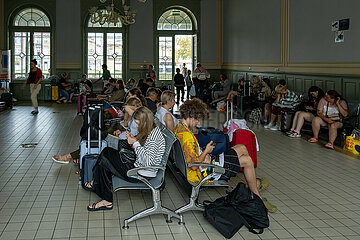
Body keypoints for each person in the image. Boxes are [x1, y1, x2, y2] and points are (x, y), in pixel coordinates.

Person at [174, 99, 277, 212]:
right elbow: (193, 166)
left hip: (205, 163)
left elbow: (190, 155)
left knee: (242, 147)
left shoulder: (179, 128)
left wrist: (204, 151)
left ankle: (251, 185)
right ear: (191, 116)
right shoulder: (187, 137)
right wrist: (206, 151)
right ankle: (256, 194)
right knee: (247, 160)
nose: (198, 123)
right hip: (208, 169)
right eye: (198, 120)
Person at [86, 107, 165, 211]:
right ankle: (99, 186)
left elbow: (148, 162)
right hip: (139, 166)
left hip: (142, 173)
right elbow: (146, 151)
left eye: (137, 123)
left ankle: (103, 194)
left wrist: (135, 143)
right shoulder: (151, 131)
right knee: (106, 154)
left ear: (145, 122)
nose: (136, 126)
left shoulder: (154, 137)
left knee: (105, 157)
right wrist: (134, 138)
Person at [52, 97, 142, 164]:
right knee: (98, 137)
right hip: (125, 142)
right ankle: (78, 155)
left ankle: (70, 156)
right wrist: (122, 133)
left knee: (98, 138)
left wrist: (121, 135)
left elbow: (132, 136)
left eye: (128, 110)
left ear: (134, 107)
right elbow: (132, 133)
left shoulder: (136, 120)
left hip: (125, 145)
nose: (127, 112)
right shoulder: (138, 117)